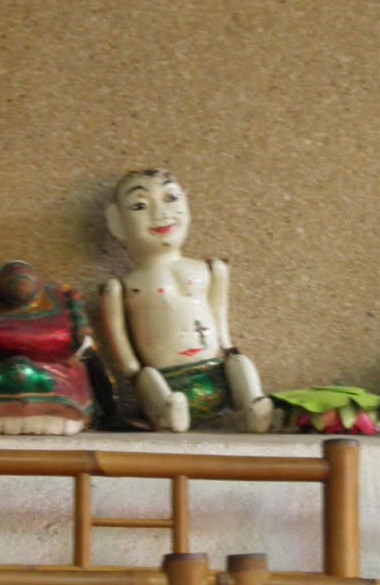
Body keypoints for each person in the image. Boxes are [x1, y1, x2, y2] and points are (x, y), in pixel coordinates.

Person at [100, 169, 271, 432]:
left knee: (241, 364)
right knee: (150, 379)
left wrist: (227, 346)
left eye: (170, 198)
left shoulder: (211, 269)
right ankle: (169, 415)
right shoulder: (122, 287)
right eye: (140, 206)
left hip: (215, 369)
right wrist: (131, 369)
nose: (160, 213)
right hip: (166, 381)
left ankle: (253, 408)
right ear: (117, 222)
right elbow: (118, 334)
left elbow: (218, 312)